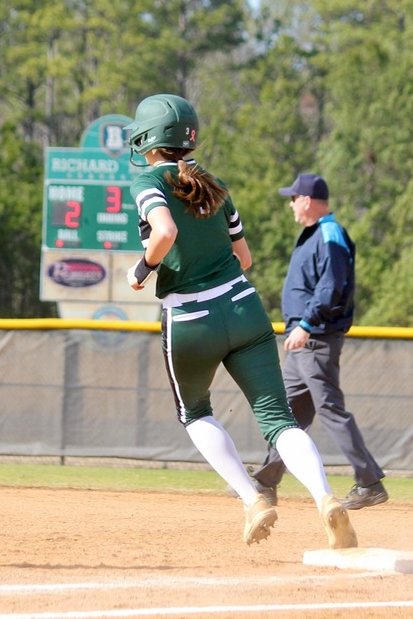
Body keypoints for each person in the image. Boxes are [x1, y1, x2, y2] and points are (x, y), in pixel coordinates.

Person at [124, 94, 357, 550]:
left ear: (148, 138)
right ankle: (325, 498)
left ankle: (253, 499)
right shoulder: (214, 184)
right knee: (279, 420)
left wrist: (143, 268)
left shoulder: (148, 180)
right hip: (245, 309)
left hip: (191, 318)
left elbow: (165, 231)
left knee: (194, 413)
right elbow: (243, 257)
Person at [248, 173, 390, 511]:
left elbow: (331, 284)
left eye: (293, 198)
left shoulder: (330, 233)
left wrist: (308, 324)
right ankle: (265, 481)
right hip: (303, 342)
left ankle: (369, 482)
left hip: (316, 338)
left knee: (330, 409)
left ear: (308, 201)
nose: (291, 204)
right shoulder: (312, 234)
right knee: (287, 416)